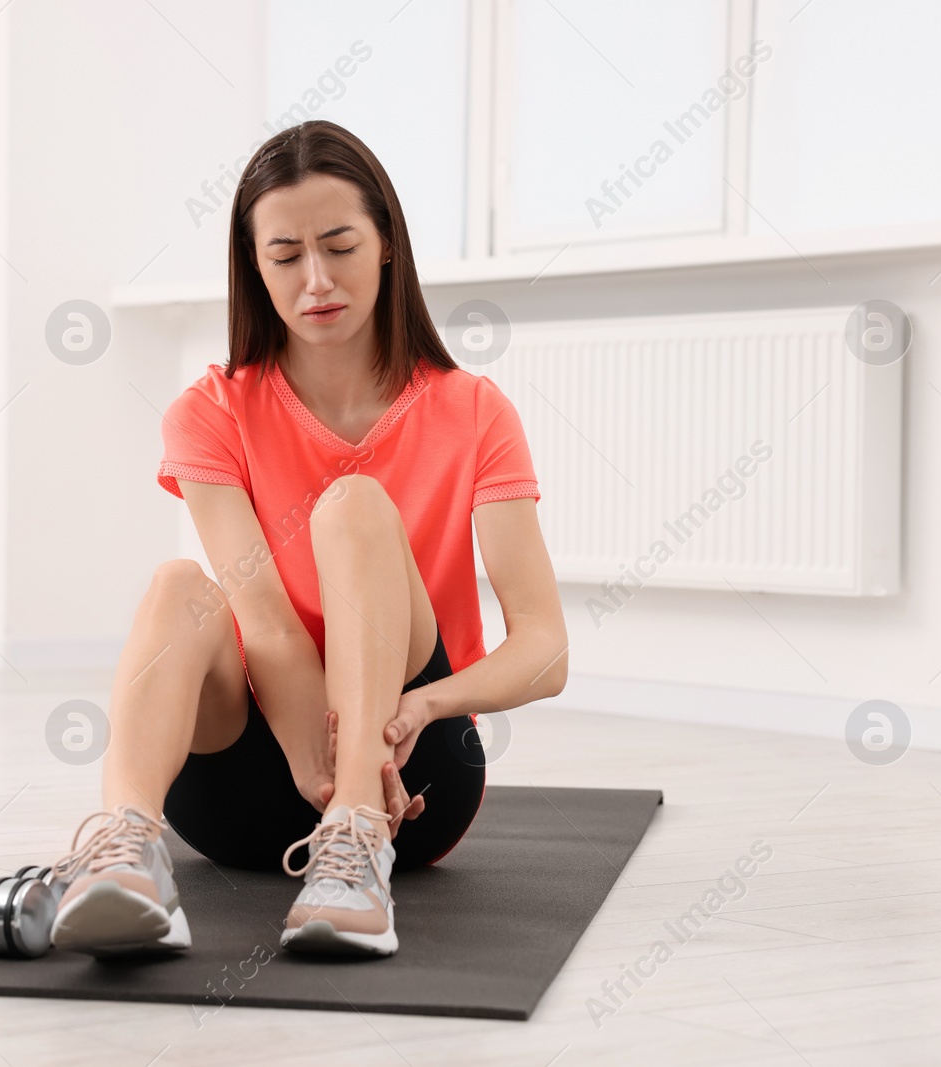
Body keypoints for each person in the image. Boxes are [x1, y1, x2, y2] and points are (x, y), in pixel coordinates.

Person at [48, 120, 568, 959]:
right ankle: (126, 849)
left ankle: (357, 839)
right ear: (255, 267)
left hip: (414, 776)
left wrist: (416, 714)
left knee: (353, 506)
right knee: (178, 586)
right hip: (252, 781)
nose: (315, 280)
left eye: (339, 245)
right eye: (285, 255)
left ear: (387, 245)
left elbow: (546, 648)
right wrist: (319, 770)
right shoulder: (210, 411)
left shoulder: (475, 412)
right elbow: (269, 624)